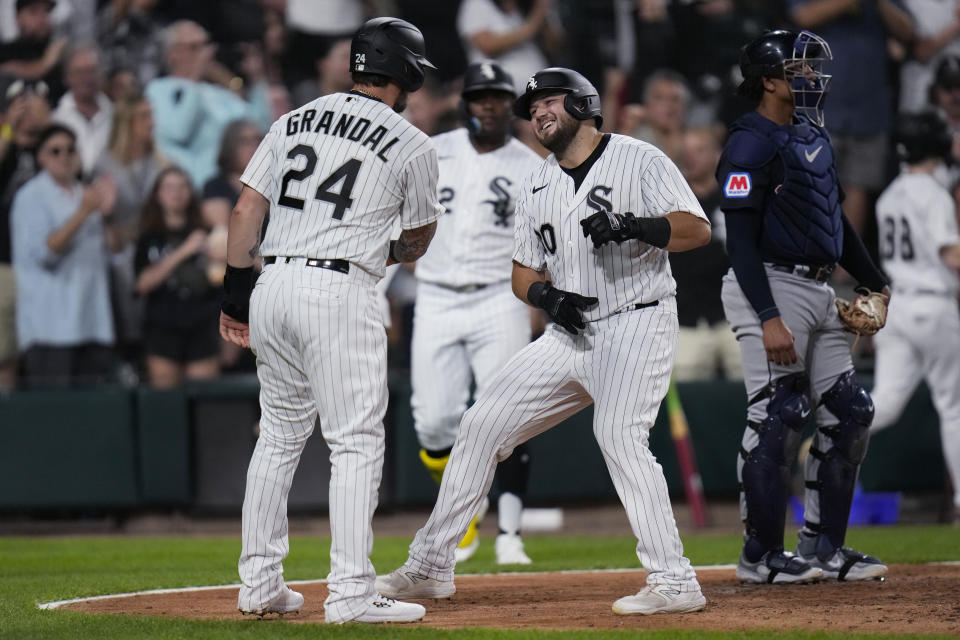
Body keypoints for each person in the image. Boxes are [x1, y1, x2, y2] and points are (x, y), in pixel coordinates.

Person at [377, 66, 711, 616]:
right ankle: (431, 565)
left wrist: (635, 226)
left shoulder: (638, 157)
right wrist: (548, 300)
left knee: (619, 436)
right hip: (571, 329)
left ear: (582, 103)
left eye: (547, 102)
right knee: (481, 424)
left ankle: (675, 581)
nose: (537, 114)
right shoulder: (537, 180)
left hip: (638, 321)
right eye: (531, 109)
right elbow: (522, 272)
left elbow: (695, 228)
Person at [219, 17, 444, 624]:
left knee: (278, 439)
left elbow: (245, 210)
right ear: (403, 73)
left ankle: (259, 585)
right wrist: (386, 250)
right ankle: (349, 593)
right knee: (355, 442)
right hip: (337, 289)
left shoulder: (292, 119)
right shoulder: (412, 142)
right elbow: (419, 238)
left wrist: (236, 296)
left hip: (273, 281)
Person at [717, 30, 892, 584]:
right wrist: (767, 315)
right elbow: (739, 244)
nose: (813, 76)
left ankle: (822, 547)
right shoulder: (748, 143)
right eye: (800, 69)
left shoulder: (812, 134)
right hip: (768, 284)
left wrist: (877, 284)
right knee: (779, 416)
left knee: (850, 412)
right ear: (769, 81)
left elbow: (834, 226)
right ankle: (759, 556)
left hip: (819, 288)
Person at [411, 60, 542, 566]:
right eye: (480, 96)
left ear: (512, 105)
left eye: (498, 97)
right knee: (434, 423)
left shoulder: (532, 165)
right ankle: (463, 514)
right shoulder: (433, 150)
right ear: (465, 103)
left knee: (506, 416)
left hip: (498, 295)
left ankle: (509, 532)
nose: (489, 105)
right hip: (437, 293)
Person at [870, 112, 960, 522]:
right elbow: (951, 254)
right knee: (954, 407)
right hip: (933, 303)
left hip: (897, 305)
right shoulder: (934, 194)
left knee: (885, 403)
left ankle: (827, 438)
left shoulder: (889, 194)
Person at [10, 123, 119, 387]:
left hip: (93, 322)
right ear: (41, 157)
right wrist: (84, 212)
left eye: (71, 150)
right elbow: (46, 254)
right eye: (55, 151)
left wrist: (107, 215)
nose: (65, 157)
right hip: (50, 328)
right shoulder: (30, 196)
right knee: (55, 419)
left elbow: (113, 250)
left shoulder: (87, 194)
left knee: (94, 417)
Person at [145, 20, 271, 189]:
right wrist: (195, 76)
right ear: (172, 53)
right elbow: (178, 131)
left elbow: (259, 126)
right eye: (194, 47)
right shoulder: (160, 88)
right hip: (198, 183)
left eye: (206, 45)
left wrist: (257, 79)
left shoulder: (219, 91)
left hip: (239, 179)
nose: (205, 53)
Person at [135, 166, 220, 388]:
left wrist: (217, 253)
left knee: (204, 403)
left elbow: (221, 281)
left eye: (182, 186)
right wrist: (184, 251)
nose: (176, 192)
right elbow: (142, 284)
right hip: (163, 328)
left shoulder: (207, 233)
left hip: (203, 326)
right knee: (167, 405)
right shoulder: (149, 237)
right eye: (169, 187)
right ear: (158, 195)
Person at [0, 76, 51, 390]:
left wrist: (48, 127)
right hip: (5, 265)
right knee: (5, 355)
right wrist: (8, 127)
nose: (28, 111)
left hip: (48, 268)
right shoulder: (6, 148)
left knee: (41, 353)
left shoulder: (55, 147)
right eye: (21, 104)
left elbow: (75, 175)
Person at [51, 45, 113, 180]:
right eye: (79, 72)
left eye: (92, 71)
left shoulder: (116, 116)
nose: (86, 78)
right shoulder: (56, 120)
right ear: (67, 78)